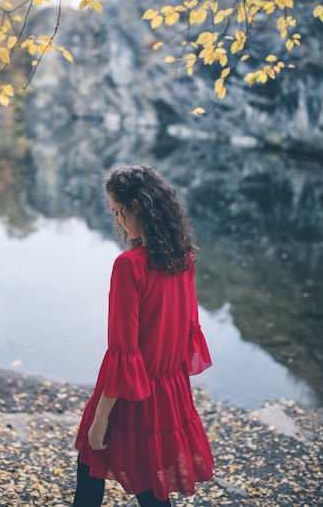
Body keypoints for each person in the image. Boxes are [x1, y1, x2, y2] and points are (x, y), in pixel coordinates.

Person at [72, 165, 214, 507]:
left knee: (91, 475)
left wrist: (101, 417)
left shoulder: (128, 266)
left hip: (129, 396)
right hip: (169, 395)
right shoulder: (183, 259)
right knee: (153, 489)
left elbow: (124, 349)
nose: (119, 222)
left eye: (117, 212)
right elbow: (185, 335)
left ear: (135, 207)